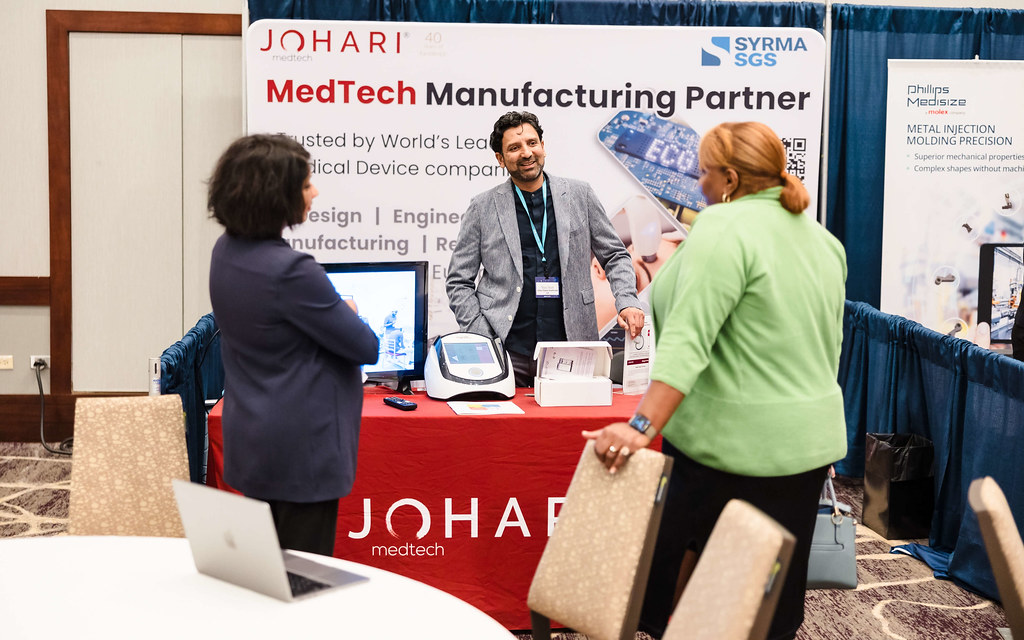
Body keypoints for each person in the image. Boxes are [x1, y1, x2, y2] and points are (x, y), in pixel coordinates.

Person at [582, 121, 848, 640]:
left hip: (730, 450)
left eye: (703, 172)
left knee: (691, 603)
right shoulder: (822, 240)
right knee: (764, 604)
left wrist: (639, 428)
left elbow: (687, 344)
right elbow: (826, 348)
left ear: (729, 178)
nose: (697, 183)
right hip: (807, 447)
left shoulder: (722, 229)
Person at [208, 134, 380, 556]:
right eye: (305, 184)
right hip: (302, 452)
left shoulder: (225, 250)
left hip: (255, 438)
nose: (314, 192)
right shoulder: (291, 271)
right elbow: (366, 347)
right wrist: (348, 309)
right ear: (276, 194)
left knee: (269, 569)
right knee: (301, 578)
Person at [446, 111, 645, 386]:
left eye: (532, 143)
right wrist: (482, 335)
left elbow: (615, 255)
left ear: (543, 146)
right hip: (506, 350)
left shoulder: (579, 195)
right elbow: (458, 281)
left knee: (571, 415)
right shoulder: (482, 207)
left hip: (573, 346)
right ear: (500, 159)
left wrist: (627, 301)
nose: (526, 153)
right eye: (514, 148)